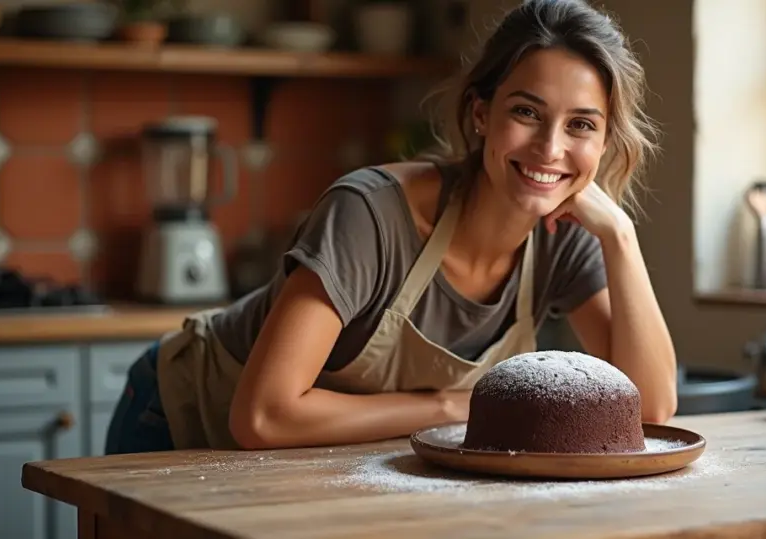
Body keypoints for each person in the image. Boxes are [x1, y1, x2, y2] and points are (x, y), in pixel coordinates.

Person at [104, 0, 677, 454]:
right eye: (526, 112)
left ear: (605, 141)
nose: (550, 148)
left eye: (581, 125)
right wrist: (452, 407)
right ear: (482, 113)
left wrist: (621, 237)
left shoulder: (567, 236)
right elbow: (262, 415)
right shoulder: (372, 214)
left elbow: (651, 411)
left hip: (313, 457)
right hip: (180, 418)